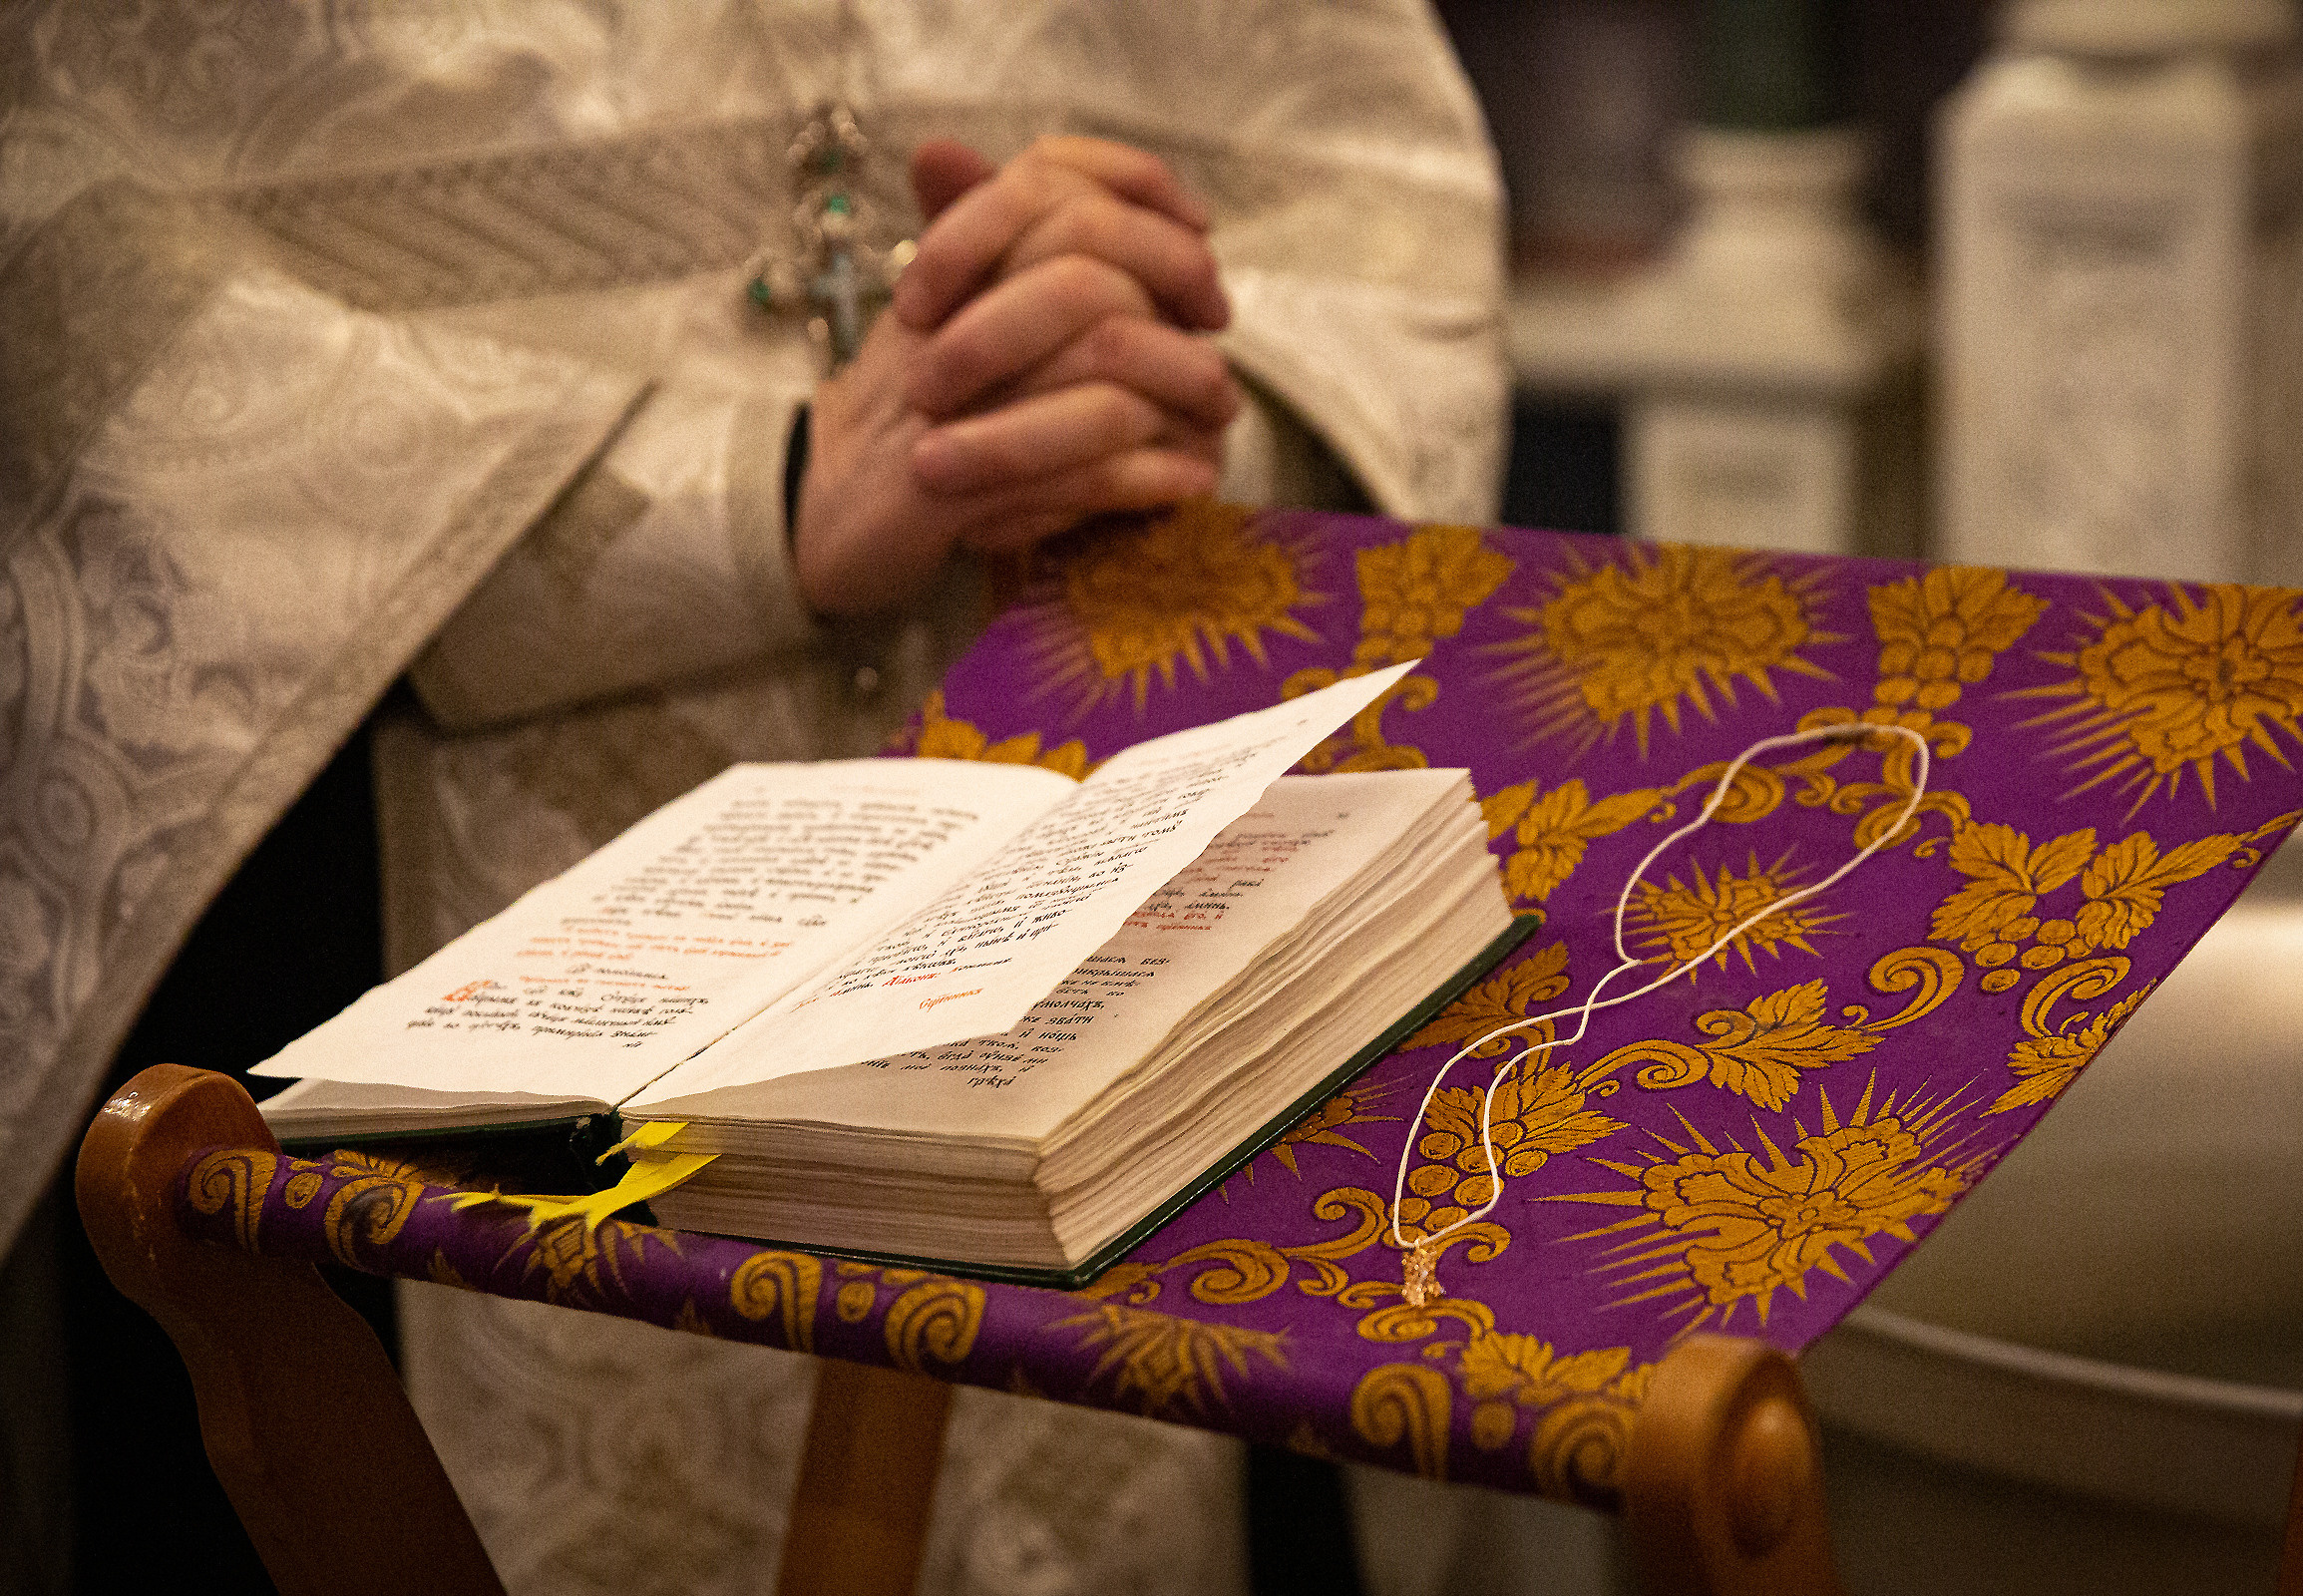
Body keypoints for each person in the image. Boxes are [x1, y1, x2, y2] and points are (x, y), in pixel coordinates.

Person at [0, 5, 1506, 1592]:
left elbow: (1375, 217)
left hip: (1121, 786)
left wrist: (1152, 387)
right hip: (389, 845)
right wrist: (742, 496)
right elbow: (69, 245)